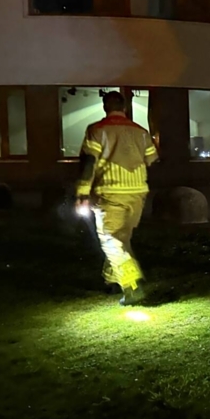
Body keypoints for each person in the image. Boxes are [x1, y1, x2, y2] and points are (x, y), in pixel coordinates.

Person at [75, 91, 158, 306]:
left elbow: (89, 163)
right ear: (125, 108)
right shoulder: (141, 131)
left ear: (105, 106)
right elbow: (152, 160)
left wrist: (82, 191)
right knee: (123, 237)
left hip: (110, 191)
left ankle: (131, 283)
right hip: (138, 192)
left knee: (111, 240)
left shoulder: (97, 130)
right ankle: (112, 280)